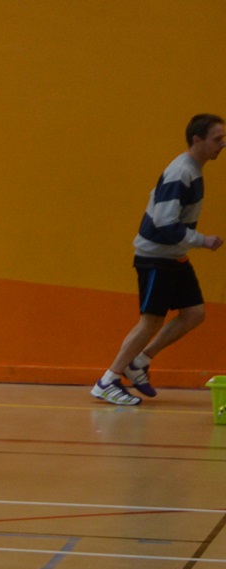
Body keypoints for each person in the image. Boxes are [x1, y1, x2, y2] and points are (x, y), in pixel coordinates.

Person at [92, 113, 225, 407]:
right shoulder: (181, 172)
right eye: (217, 139)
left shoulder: (194, 169)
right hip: (156, 258)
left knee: (194, 313)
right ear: (197, 140)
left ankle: (139, 361)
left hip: (174, 256)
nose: (222, 144)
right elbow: (164, 223)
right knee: (150, 321)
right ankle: (108, 381)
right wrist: (202, 240)